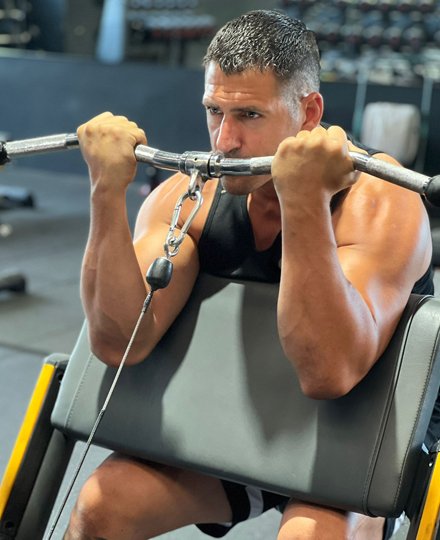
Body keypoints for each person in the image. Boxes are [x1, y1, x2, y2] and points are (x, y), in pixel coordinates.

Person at [64, 9, 436, 540]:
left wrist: (303, 202)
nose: (225, 141)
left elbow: (329, 371)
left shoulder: (383, 201)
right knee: (103, 505)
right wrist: (106, 193)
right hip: (246, 423)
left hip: (360, 442)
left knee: (310, 536)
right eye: (214, 111)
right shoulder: (192, 195)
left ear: (309, 111)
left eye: (250, 117)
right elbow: (118, 340)